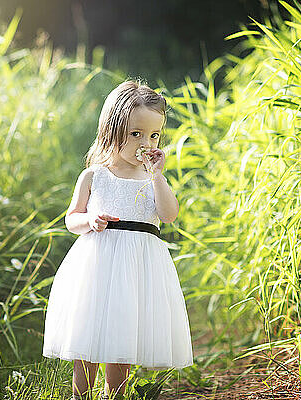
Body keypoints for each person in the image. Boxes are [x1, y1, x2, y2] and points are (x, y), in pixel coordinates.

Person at [42, 79, 193, 400]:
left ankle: (116, 395)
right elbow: (71, 218)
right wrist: (89, 220)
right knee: (89, 330)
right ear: (112, 130)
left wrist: (158, 176)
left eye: (153, 135)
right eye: (135, 134)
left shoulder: (152, 180)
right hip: (99, 262)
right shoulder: (95, 175)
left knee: (123, 334)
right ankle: (80, 395)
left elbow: (168, 215)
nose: (145, 142)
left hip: (138, 266)